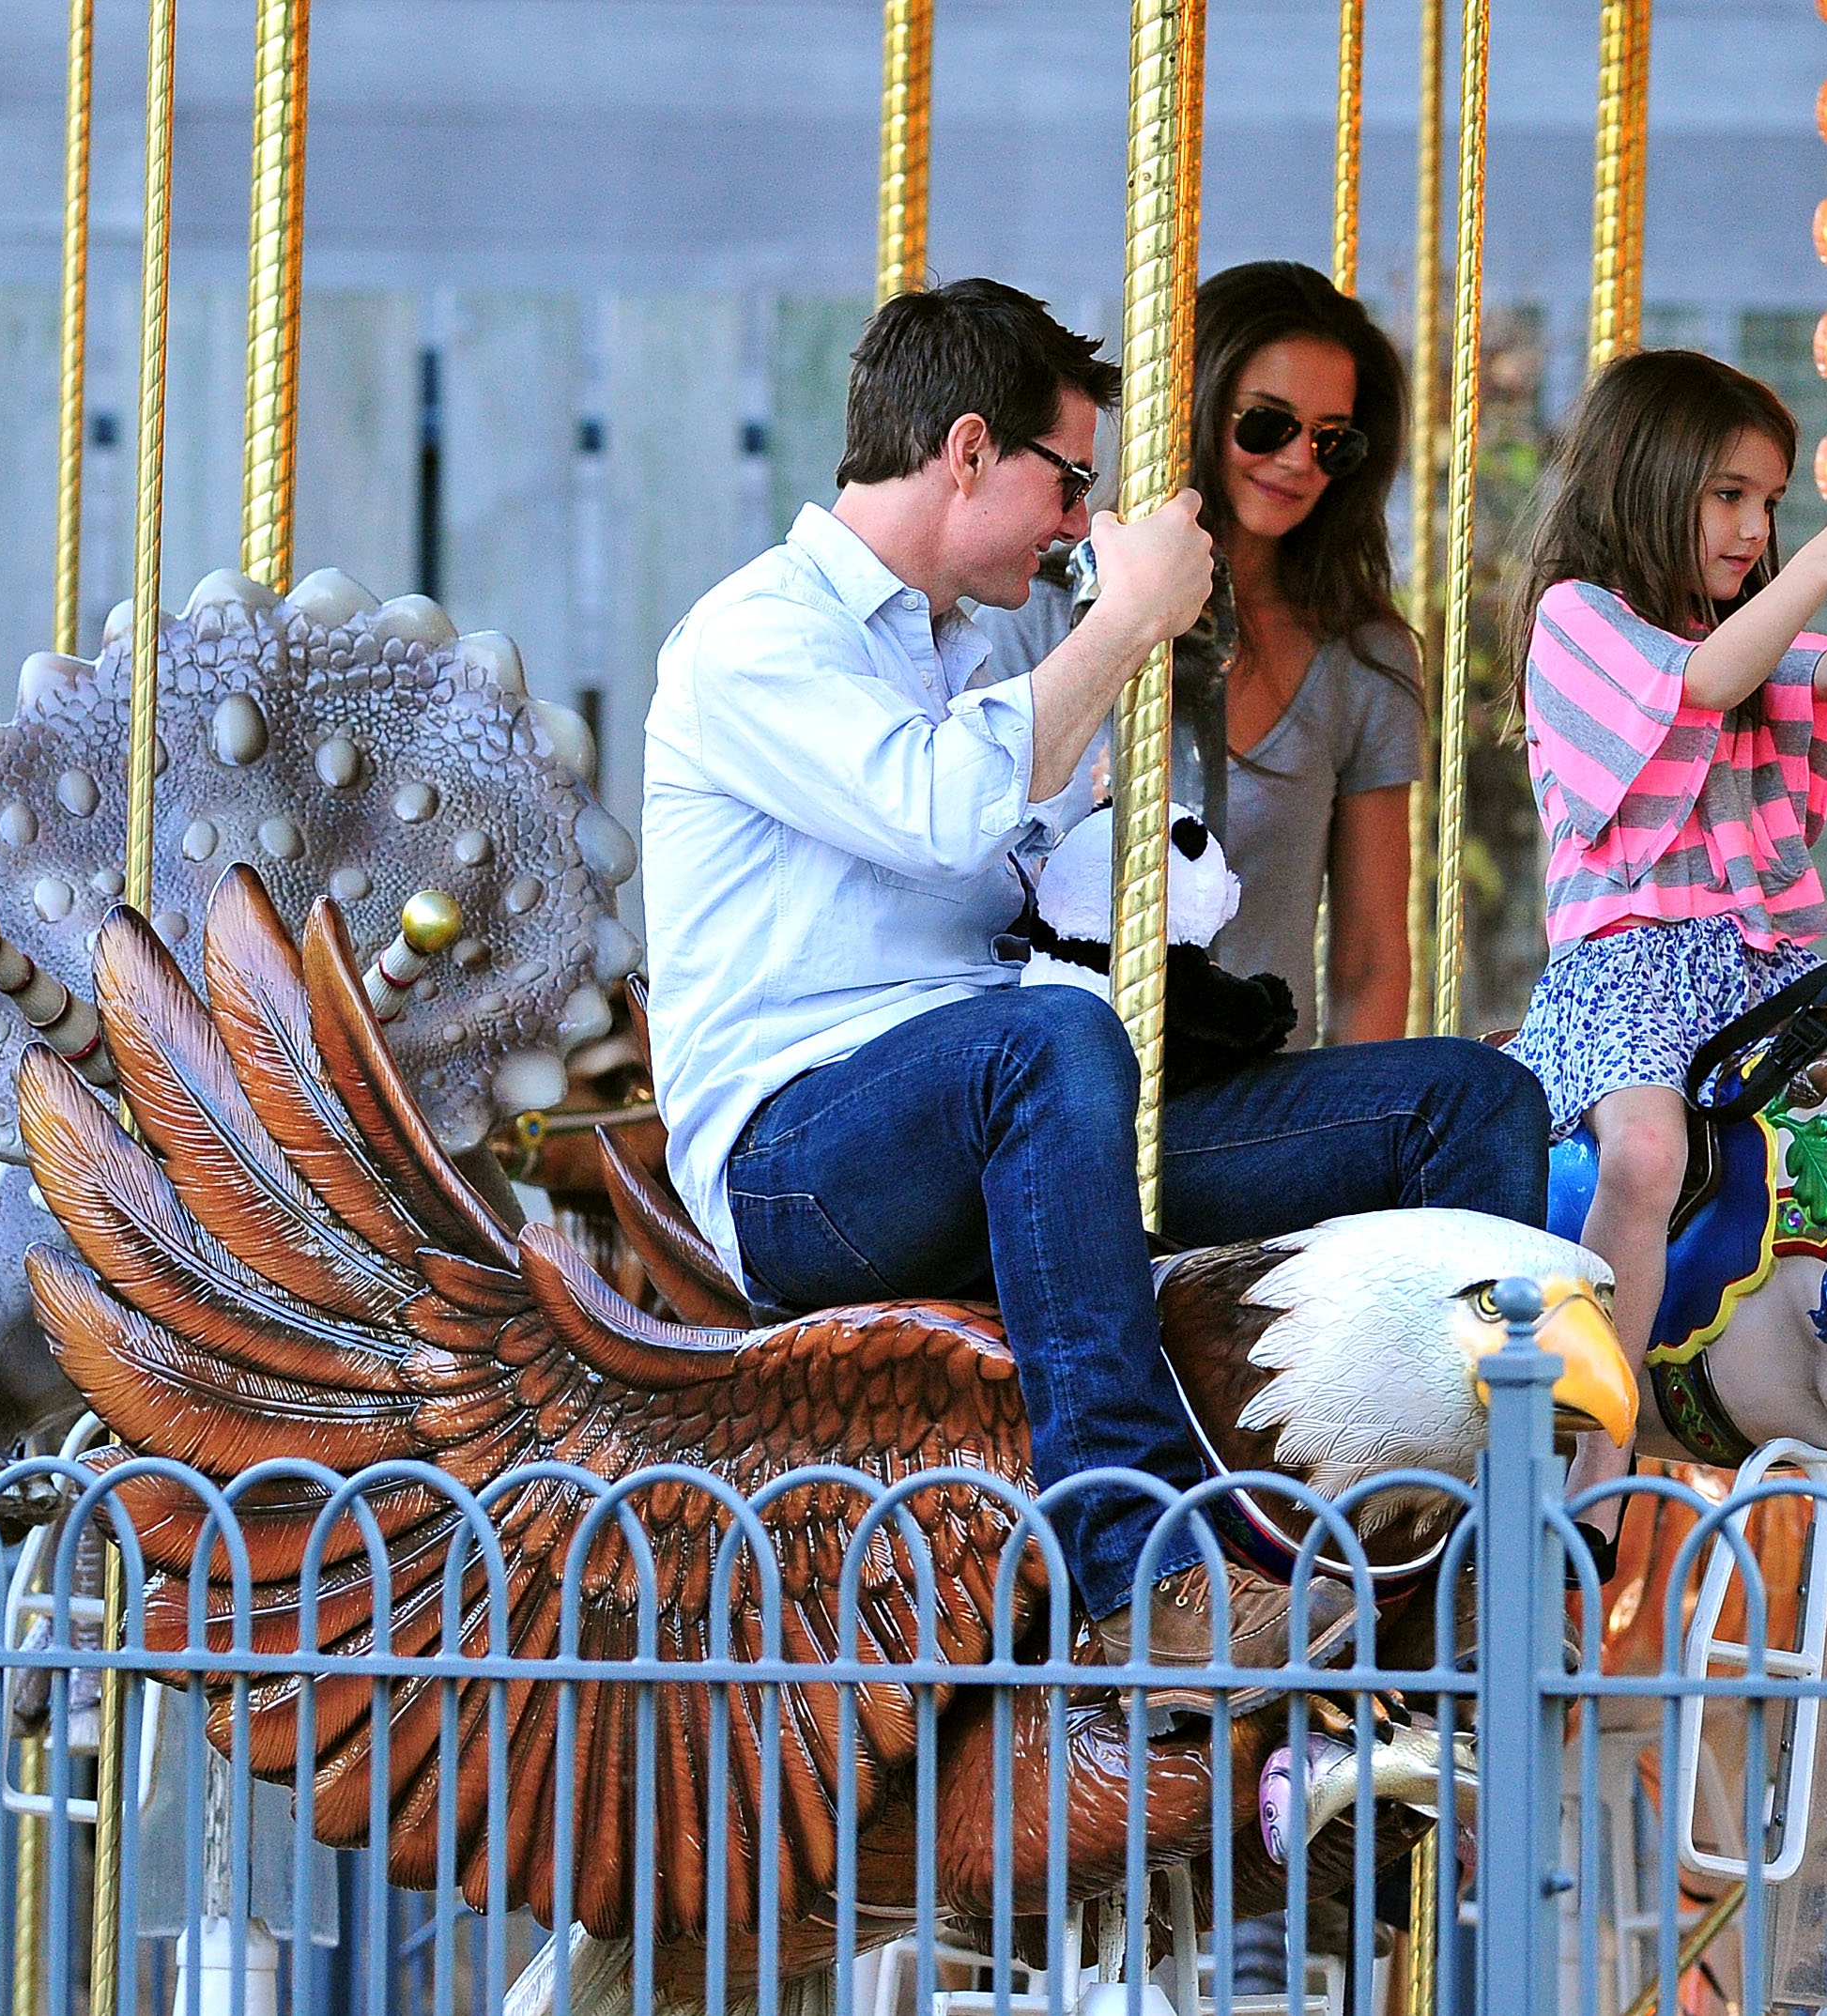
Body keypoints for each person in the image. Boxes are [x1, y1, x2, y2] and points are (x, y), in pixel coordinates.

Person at [639, 281, 1551, 1700]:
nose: (1077, 518)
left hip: (1018, 1113)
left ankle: (1438, 1589)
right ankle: (1142, 1566)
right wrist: (1123, 624)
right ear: (964, 450)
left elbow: (1070, 879)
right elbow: (945, 812)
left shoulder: (974, 643)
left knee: (1468, 1100)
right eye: (1066, 479)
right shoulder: (756, 634)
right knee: (1045, 1040)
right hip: (805, 1160)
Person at [1502, 348, 1827, 1387]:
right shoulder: (1579, 619)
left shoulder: (1741, 635)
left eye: (1774, 502)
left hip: (1754, 970)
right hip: (1627, 970)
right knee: (1650, 1151)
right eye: (1729, 496)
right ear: (1648, 481)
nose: (1756, 528)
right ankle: (1592, 1428)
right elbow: (1699, 682)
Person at [976, 261, 1422, 1045]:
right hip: (1058, 1083)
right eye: (1267, 423)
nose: (1298, 461)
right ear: (1199, 406)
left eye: (1333, 441)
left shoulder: (1364, 658)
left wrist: (1356, 1143)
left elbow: (1371, 958)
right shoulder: (1037, 610)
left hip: (1262, 1101)